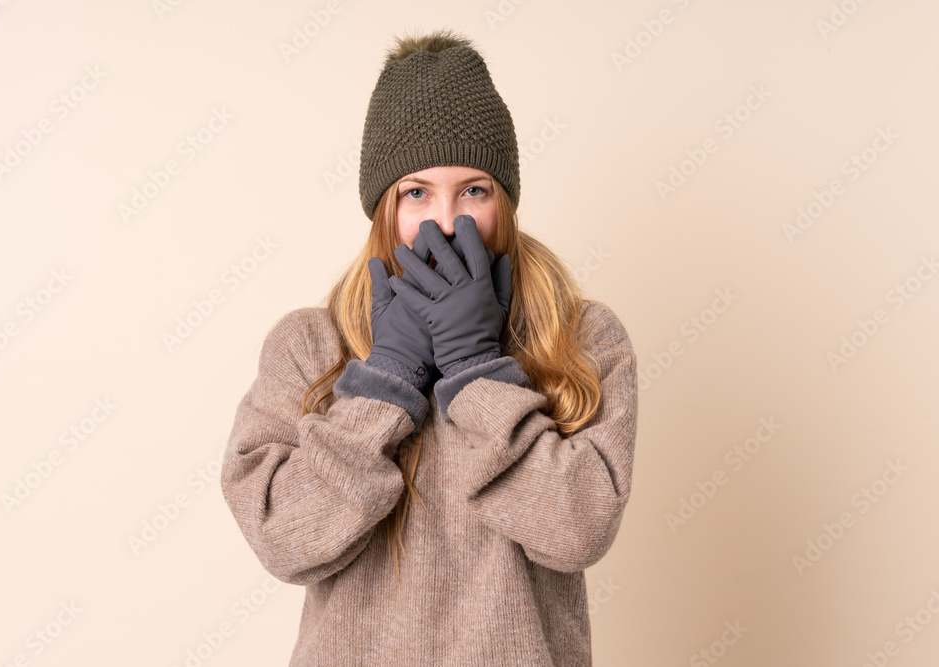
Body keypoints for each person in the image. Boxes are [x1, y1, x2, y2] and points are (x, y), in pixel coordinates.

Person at [220, 27, 639, 667]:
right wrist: (384, 381)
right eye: (417, 193)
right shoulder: (309, 345)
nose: (447, 222)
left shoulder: (580, 336)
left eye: (474, 189)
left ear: (506, 199)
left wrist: (477, 372)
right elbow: (285, 541)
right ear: (383, 208)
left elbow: (577, 530)